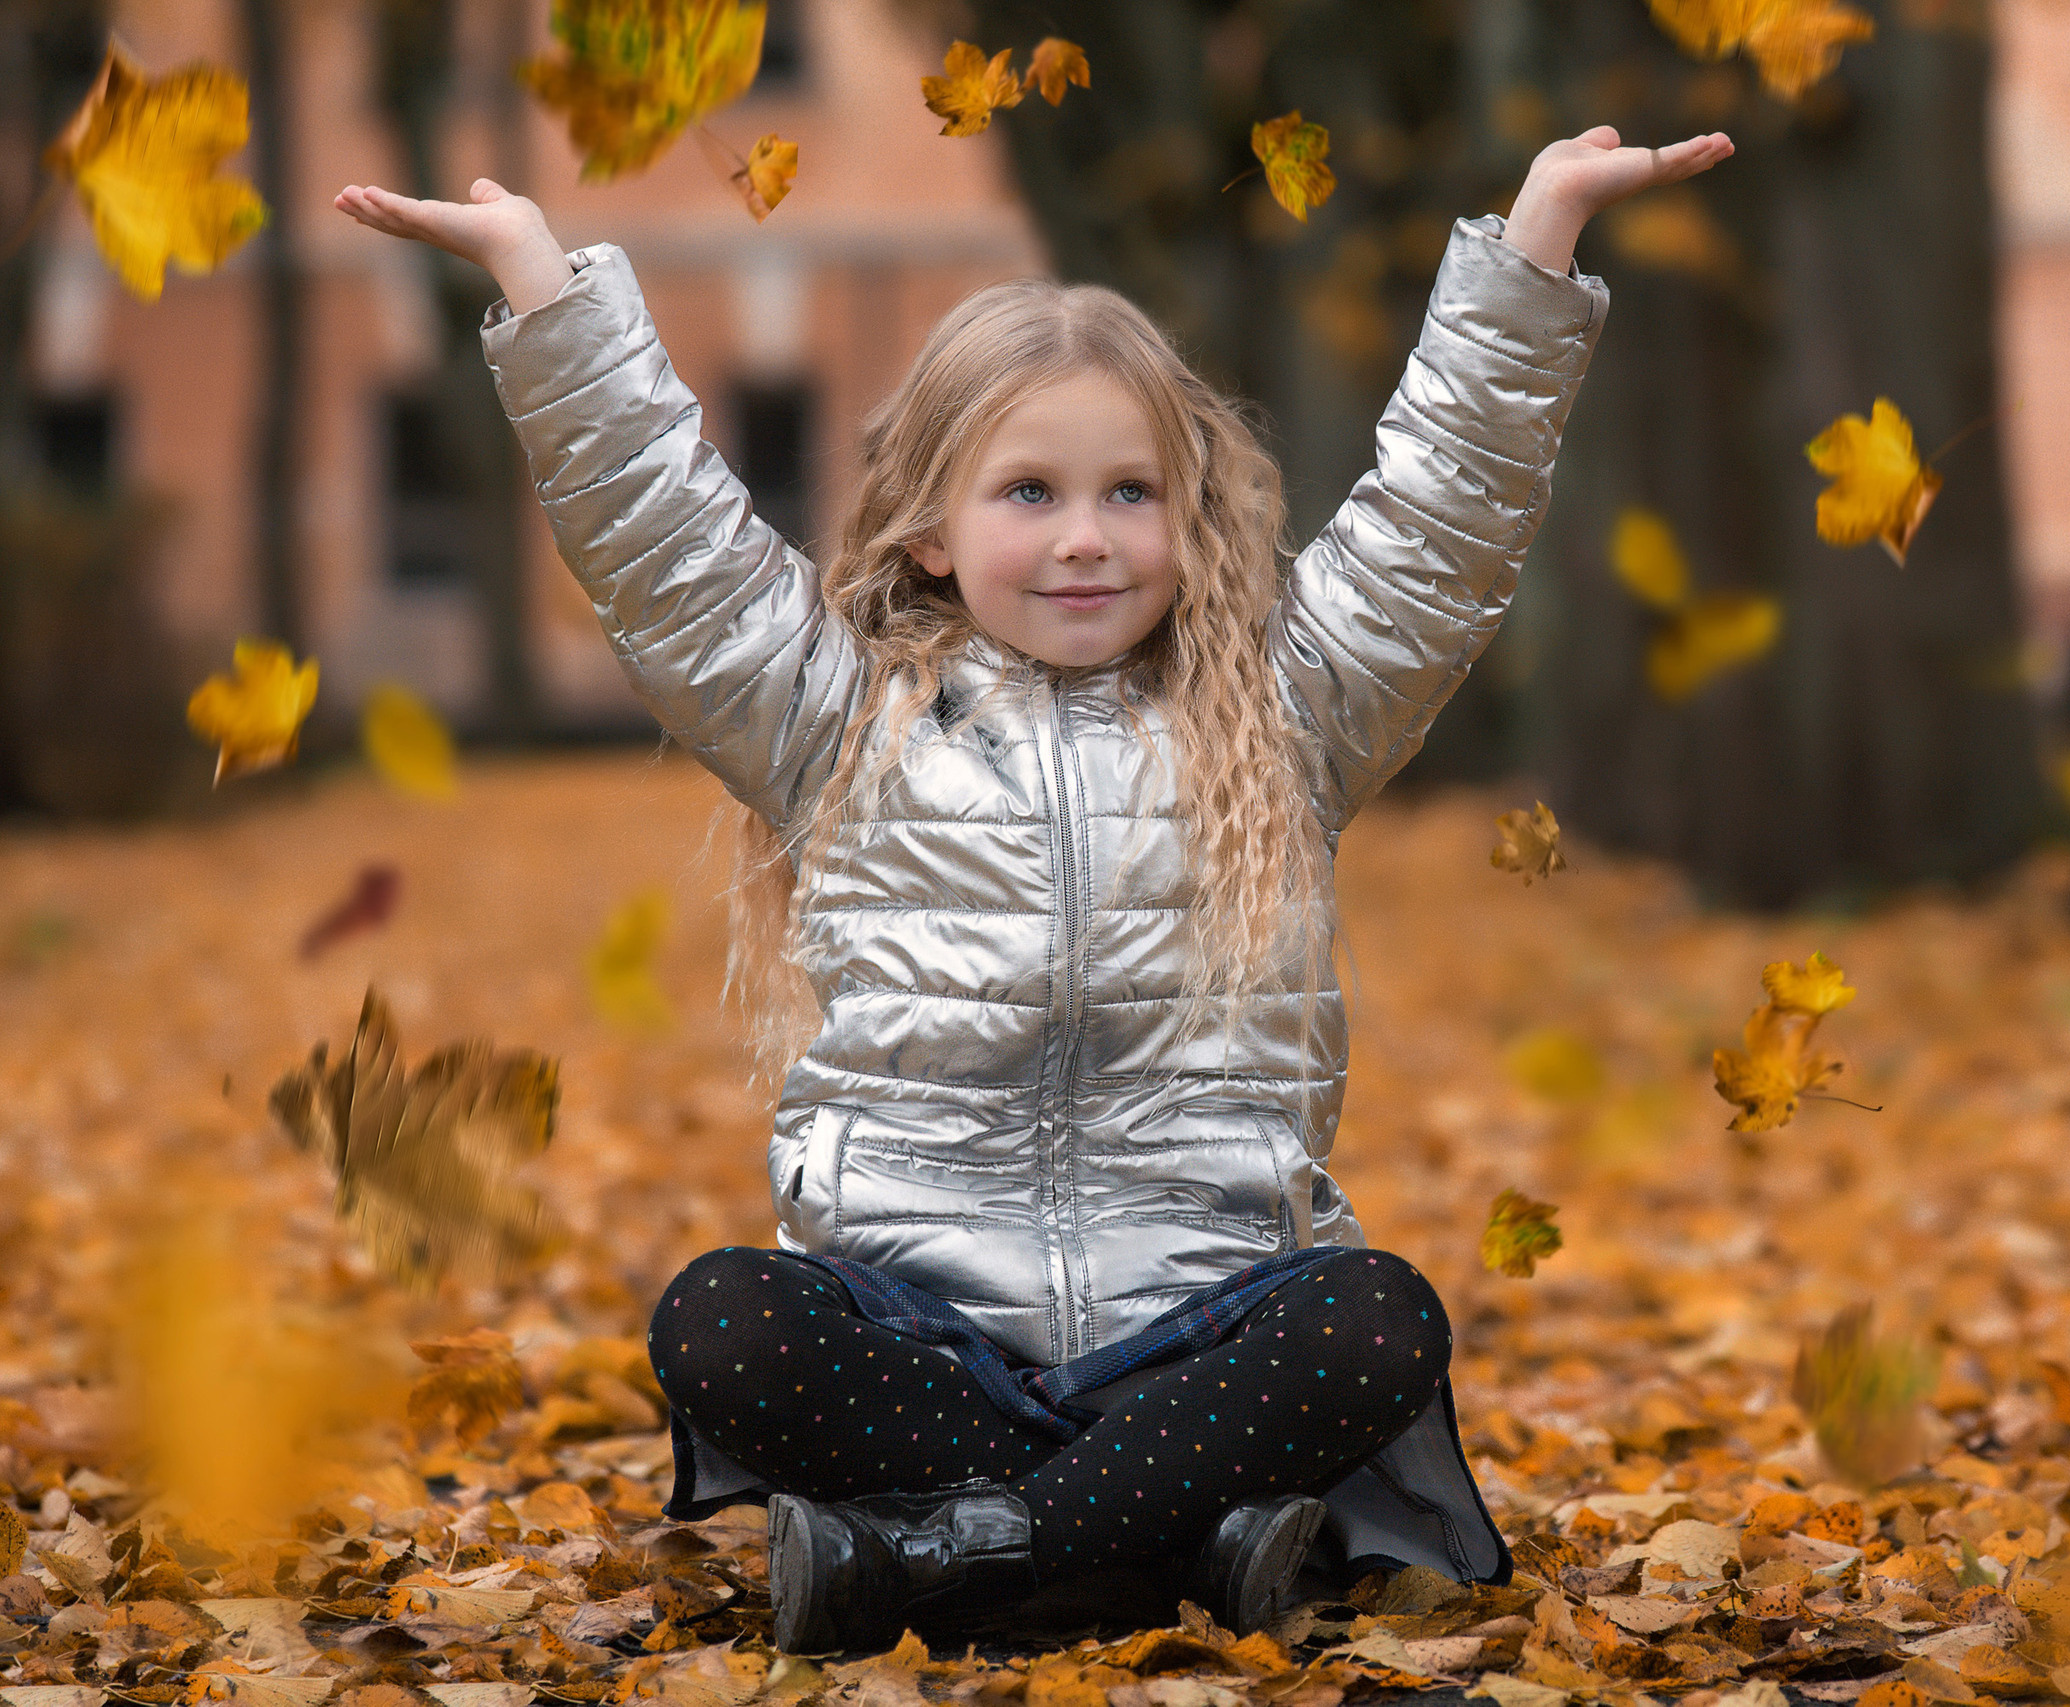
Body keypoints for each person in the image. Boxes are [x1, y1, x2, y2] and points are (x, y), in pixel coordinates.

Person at [334, 118, 1733, 1654]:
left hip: (1194, 1337)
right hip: (921, 1344)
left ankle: (953, 1556)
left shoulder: (1286, 714)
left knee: (1376, 1318)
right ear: (929, 530)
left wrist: (1533, 250)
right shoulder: (829, 719)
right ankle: (1151, 1543)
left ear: (1191, 524)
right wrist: (546, 287)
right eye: (1031, 495)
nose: (1086, 539)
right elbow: (666, 550)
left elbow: (1435, 533)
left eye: (1133, 495)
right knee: (721, 1321)